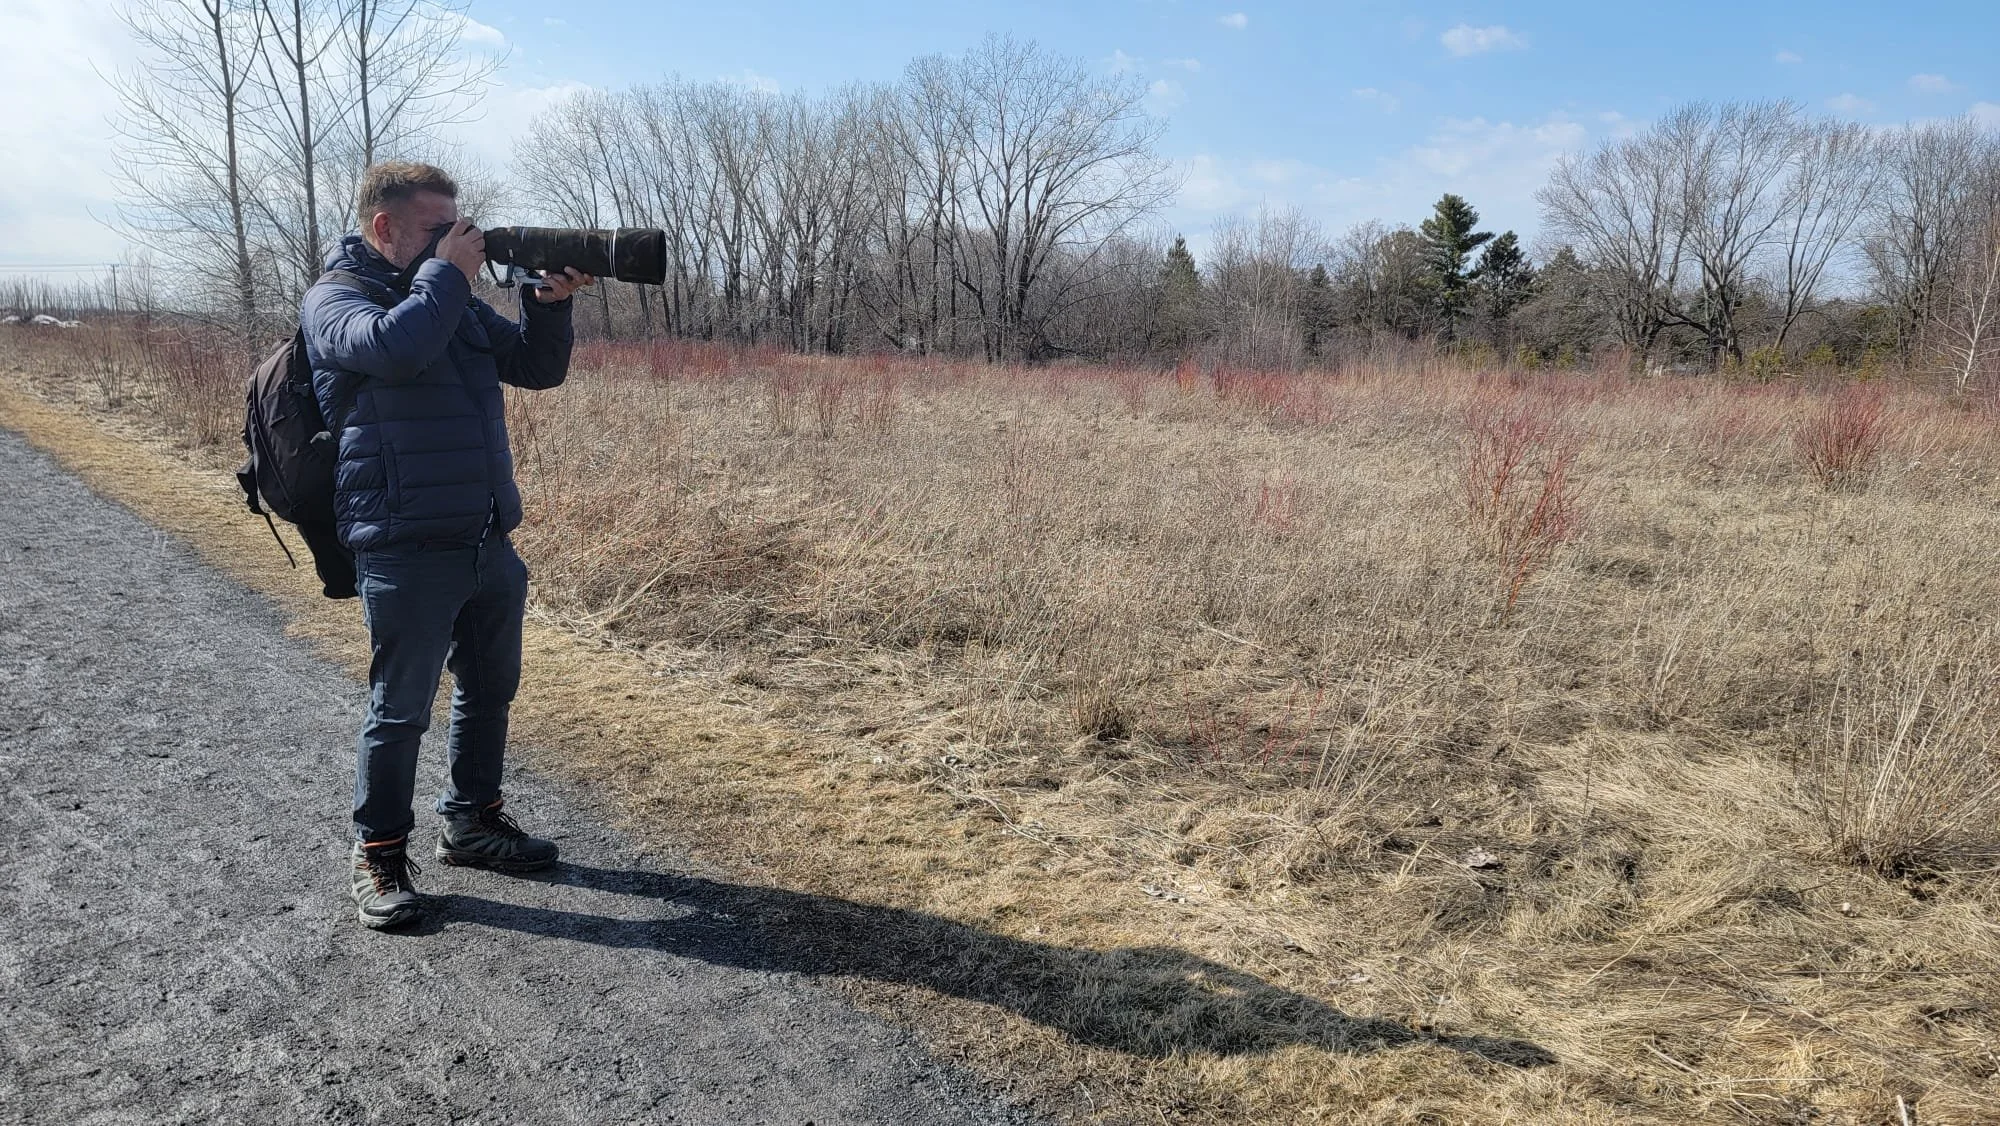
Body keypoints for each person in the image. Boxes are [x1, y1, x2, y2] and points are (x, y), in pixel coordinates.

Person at [300, 161, 594, 929]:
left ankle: (471, 821)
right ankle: (379, 853)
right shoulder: (335, 300)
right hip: (401, 543)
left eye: (460, 228)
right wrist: (449, 277)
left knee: (490, 689)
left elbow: (536, 368)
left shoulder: (450, 300)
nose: (459, 241)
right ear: (384, 228)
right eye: (438, 229)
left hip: (485, 535)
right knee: (399, 712)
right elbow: (396, 351)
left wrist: (545, 305)